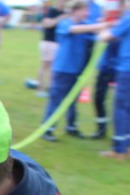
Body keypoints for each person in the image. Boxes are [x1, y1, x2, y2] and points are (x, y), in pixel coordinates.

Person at [41, 0, 109, 142]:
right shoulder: (66, 23)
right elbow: (74, 30)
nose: (88, 13)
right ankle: (48, 129)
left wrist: (106, 27)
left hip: (76, 70)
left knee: (72, 100)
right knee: (56, 100)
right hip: (63, 69)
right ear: (75, 11)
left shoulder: (85, 25)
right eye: (85, 10)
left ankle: (71, 127)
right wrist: (100, 25)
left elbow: (98, 35)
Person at [99, 0, 130, 159]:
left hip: (127, 69)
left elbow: (107, 37)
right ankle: (127, 146)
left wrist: (104, 29)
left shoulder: (128, 17)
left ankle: (119, 150)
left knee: (120, 108)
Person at [36, 0, 66, 97]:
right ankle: (40, 88)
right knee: (45, 66)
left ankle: (51, 88)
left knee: (54, 68)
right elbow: (46, 24)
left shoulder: (65, 13)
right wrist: (59, 19)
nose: (62, 3)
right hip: (49, 42)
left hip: (59, 43)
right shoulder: (52, 11)